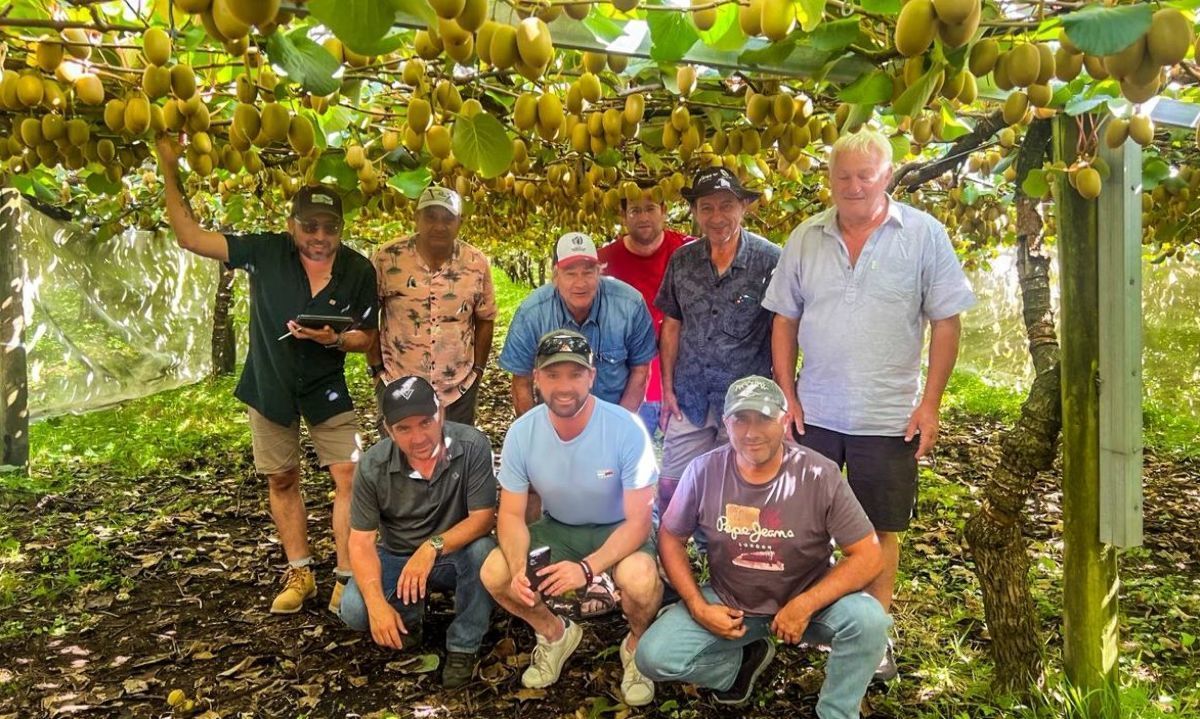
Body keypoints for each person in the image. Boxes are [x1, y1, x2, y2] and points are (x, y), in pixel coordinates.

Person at [762, 129, 976, 680]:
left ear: (888, 176)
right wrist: (787, 392)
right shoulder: (806, 236)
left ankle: (872, 635)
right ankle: (821, 618)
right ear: (829, 179)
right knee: (808, 523)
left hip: (888, 415)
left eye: (866, 175)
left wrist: (930, 404)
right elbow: (784, 319)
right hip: (816, 410)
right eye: (842, 176)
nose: (853, 186)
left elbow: (945, 322)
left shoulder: (924, 235)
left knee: (881, 529)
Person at [155, 136, 378, 615]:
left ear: (341, 229)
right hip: (270, 384)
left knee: (349, 476)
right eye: (310, 226)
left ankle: (344, 575)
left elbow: (369, 338)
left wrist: (334, 340)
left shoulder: (358, 270)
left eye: (330, 227)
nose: (320, 236)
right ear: (292, 224)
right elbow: (190, 237)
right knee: (282, 479)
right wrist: (168, 166)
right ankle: (300, 572)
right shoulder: (266, 252)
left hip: (326, 387)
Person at [635, 376, 889, 716]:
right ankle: (738, 667)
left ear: (784, 420)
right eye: (741, 419)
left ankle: (836, 711)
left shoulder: (818, 474)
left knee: (870, 619)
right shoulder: (704, 470)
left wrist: (806, 603)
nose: (752, 432)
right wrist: (697, 606)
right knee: (653, 657)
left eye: (764, 418)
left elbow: (869, 554)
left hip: (807, 603)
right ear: (726, 423)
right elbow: (670, 537)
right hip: (731, 602)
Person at [480, 330, 662, 707]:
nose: (564, 387)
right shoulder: (522, 432)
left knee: (641, 581)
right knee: (495, 574)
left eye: (575, 374)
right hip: (560, 526)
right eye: (552, 374)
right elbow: (511, 515)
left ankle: (638, 647)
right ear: (536, 378)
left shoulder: (625, 428)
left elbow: (640, 521)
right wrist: (518, 568)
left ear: (592, 377)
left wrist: (587, 568)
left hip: (619, 527)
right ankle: (554, 634)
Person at [338, 376, 497, 689]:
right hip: (397, 555)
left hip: (456, 553)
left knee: (484, 552)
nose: (419, 437)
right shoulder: (373, 465)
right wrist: (376, 603)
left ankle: (464, 644)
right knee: (355, 610)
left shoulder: (472, 445)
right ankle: (408, 618)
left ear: (441, 415)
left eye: (426, 422)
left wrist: (432, 547)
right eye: (404, 428)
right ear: (388, 430)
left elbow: (482, 519)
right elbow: (361, 541)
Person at [655, 167, 781, 529]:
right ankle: (671, 569)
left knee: (743, 490)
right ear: (695, 213)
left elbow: (783, 332)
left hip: (746, 400)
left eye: (726, 206)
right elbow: (673, 324)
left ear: (743, 207)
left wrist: (780, 396)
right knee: (672, 487)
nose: (716, 217)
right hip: (690, 394)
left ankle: (734, 567)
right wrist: (666, 388)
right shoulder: (683, 260)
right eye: (706, 207)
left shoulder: (770, 261)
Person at [368, 186, 497, 425]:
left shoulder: (475, 262)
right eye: (430, 216)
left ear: (460, 222)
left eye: (448, 218)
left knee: (455, 458)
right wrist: (377, 370)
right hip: (399, 383)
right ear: (416, 217)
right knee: (399, 460)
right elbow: (367, 314)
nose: (439, 226)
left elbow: (485, 317)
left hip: (457, 387)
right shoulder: (387, 258)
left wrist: (477, 370)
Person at [499, 232, 656, 417]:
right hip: (555, 422)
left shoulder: (630, 305)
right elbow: (521, 381)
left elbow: (641, 370)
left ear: (599, 272)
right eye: (570, 273)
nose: (580, 283)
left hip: (614, 415)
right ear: (556, 277)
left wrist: (620, 426)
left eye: (588, 272)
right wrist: (537, 435)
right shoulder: (532, 313)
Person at [598, 190, 693, 437]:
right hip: (628, 390)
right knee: (626, 469)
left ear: (663, 210)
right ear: (623, 215)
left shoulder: (690, 253)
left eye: (650, 208)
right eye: (635, 210)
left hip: (684, 388)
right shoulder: (603, 262)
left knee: (686, 472)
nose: (643, 217)